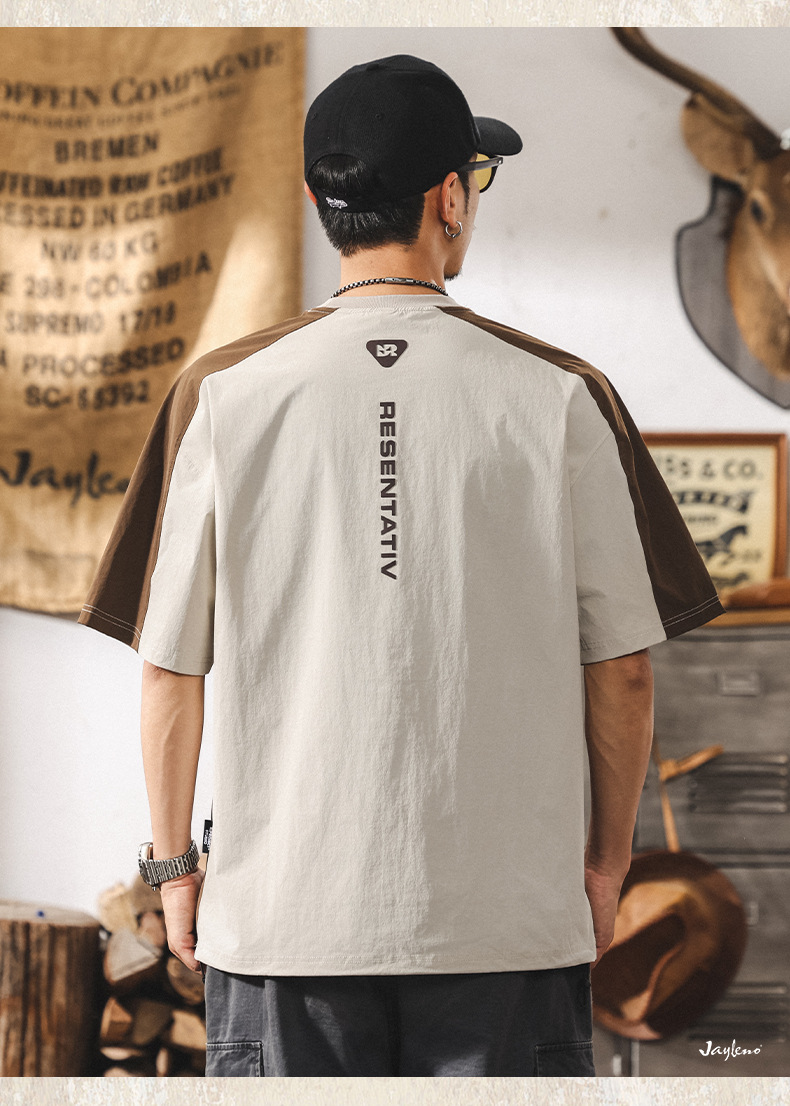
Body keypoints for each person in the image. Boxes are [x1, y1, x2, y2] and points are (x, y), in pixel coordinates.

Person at [78, 54, 726, 1077]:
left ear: (318, 204)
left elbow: (168, 668)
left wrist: (173, 870)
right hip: (509, 930)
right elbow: (624, 671)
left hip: (283, 925)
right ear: (449, 200)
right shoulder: (562, 396)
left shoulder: (222, 394)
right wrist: (606, 869)